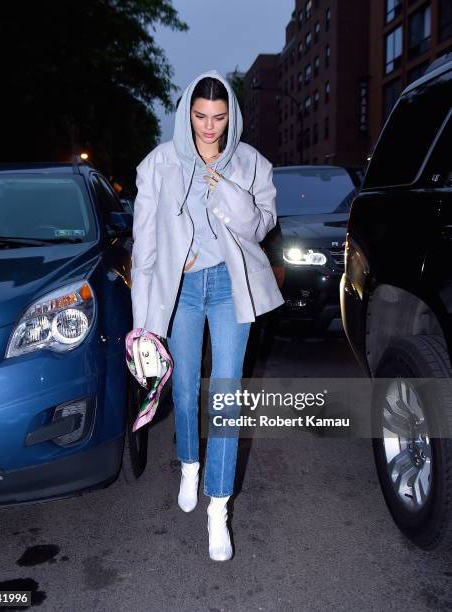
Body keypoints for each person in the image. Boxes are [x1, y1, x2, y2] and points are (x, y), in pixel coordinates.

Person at [130, 69, 284, 561]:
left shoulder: (252, 164)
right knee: (185, 386)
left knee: (226, 389)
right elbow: (145, 250)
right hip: (182, 290)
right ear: (186, 113)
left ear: (231, 115)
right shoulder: (158, 165)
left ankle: (219, 507)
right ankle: (190, 464)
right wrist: (144, 323)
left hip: (230, 286)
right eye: (200, 116)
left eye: (219, 117)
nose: (209, 127)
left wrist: (228, 190)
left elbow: (260, 226)